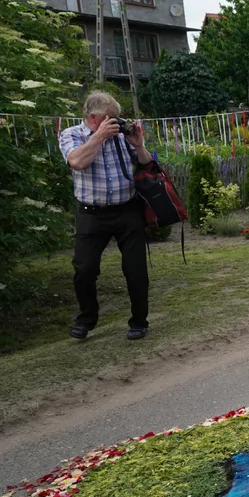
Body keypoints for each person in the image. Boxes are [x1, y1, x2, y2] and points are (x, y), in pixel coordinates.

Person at [59, 91, 153, 341]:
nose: (118, 123)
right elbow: (77, 162)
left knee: (136, 270)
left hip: (127, 210)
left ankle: (139, 321)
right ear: (94, 118)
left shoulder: (121, 137)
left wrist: (139, 145)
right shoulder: (72, 134)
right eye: (112, 118)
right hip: (92, 214)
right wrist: (98, 137)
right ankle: (87, 319)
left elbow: (146, 164)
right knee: (84, 270)